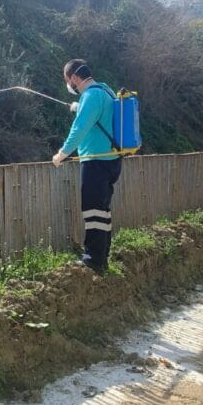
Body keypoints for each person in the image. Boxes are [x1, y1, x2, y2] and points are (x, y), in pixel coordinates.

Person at [51, 59, 122, 273]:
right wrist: (78, 107)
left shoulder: (90, 96)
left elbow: (79, 129)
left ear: (74, 78)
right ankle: (103, 255)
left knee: (93, 211)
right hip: (112, 159)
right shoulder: (105, 90)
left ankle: (93, 259)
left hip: (95, 161)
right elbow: (98, 113)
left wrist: (61, 154)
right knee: (103, 211)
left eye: (68, 80)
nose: (69, 85)